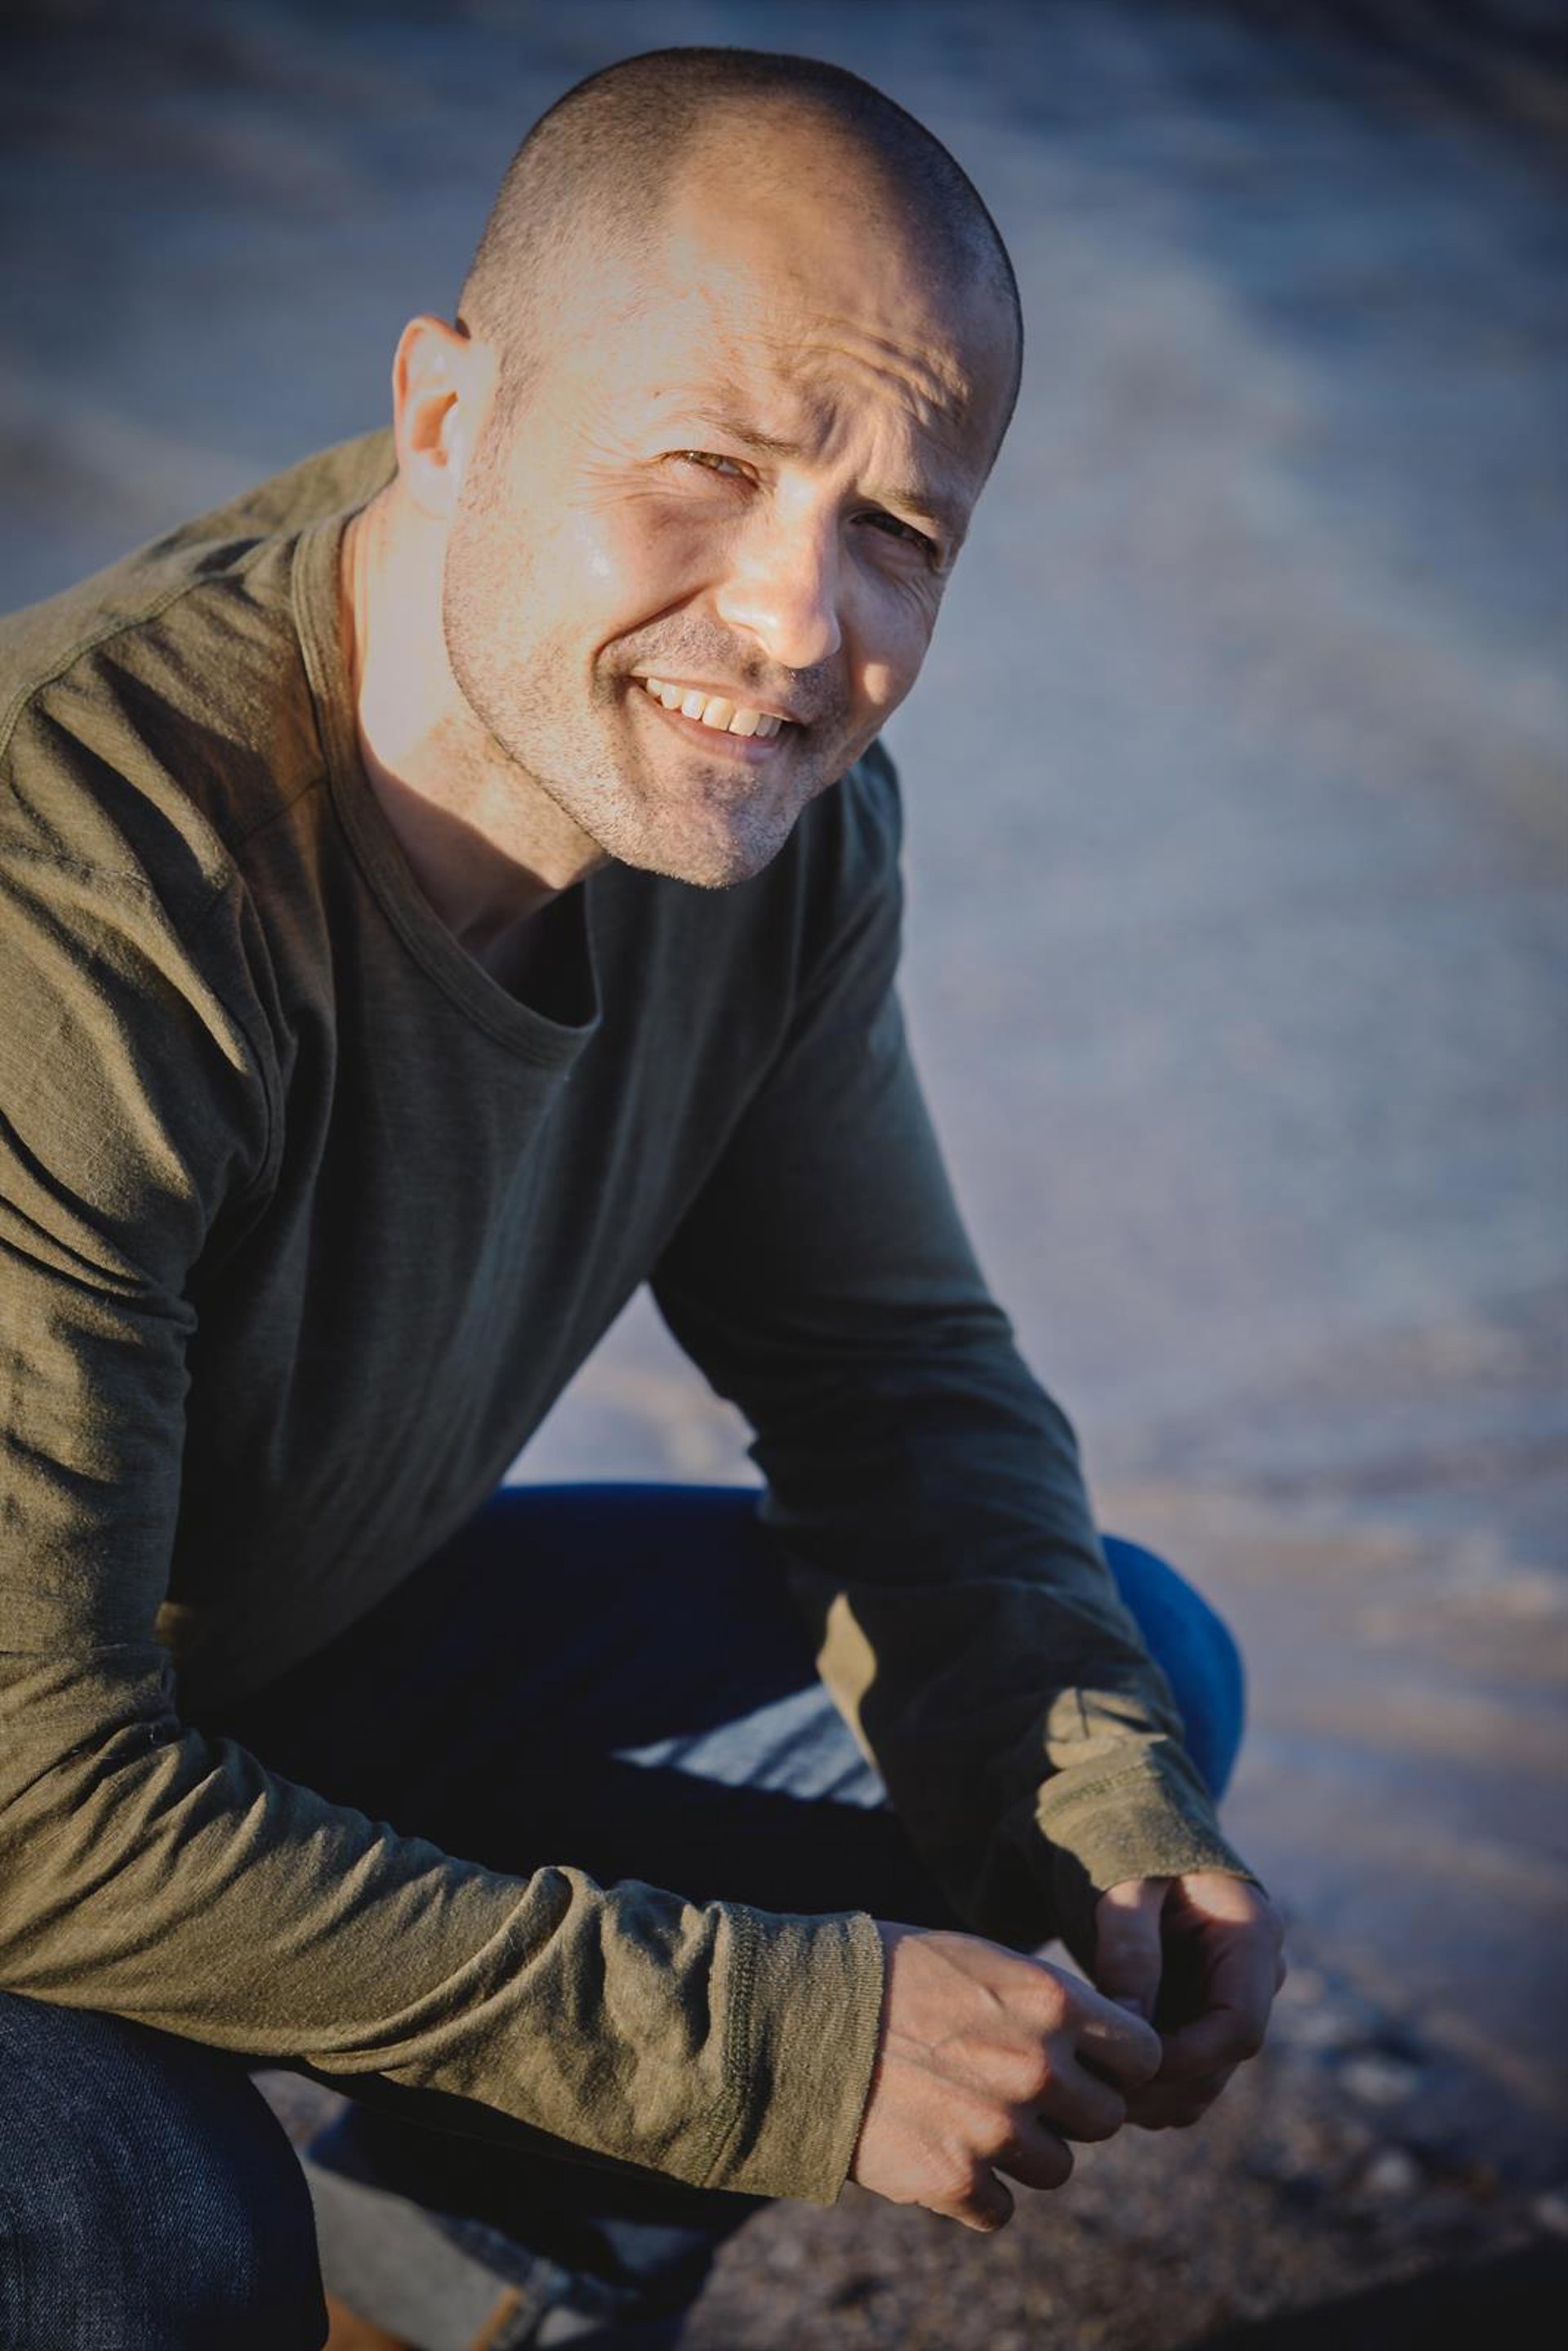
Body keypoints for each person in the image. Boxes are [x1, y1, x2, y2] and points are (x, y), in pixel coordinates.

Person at [0, 45, 1284, 2351]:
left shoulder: (759, 823)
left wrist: (1108, 1816)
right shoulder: (80, 893)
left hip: (240, 1669)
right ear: (446, 413)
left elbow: (887, 1380)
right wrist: (772, 2043)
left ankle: (443, 2298)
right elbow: (31, 1803)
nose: (798, 624)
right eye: (712, 466)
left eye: (901, 533)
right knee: (143, 2225)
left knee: (1098, 1694)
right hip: (27, 1776)